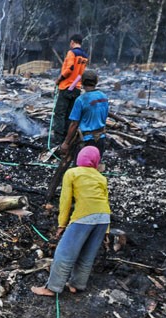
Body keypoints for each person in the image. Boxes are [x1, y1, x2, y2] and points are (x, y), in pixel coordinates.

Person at [32, 146, 110, 297]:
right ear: (95, 161)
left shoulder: (72, 172)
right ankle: (77, 285)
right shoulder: (101, 177)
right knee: (88, 253)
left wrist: (62, 224)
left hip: (85, 215)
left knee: (64, 252)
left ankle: (52, 288)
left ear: (79, 158)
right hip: (104, 218)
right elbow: (105, 201)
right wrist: (106, 230)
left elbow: (65, 200)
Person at [60, 70, 109, 156]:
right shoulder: (104, 97)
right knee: (94, 165)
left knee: (81, 166)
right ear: (96, 81)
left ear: (82, 82)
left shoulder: (81, 100)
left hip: (86, 140)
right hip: (101, 138)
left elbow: (74, 124)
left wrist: (66, 143)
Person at [53, 34, 89, 144]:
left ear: (72, 42)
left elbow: (69, 69)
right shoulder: (85, 56)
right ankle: (67, 139)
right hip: (76, 88)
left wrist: (59, 79)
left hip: (66, 86)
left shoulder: (71, 53)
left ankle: (58, 140)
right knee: (70, 114)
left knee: (60, 113)